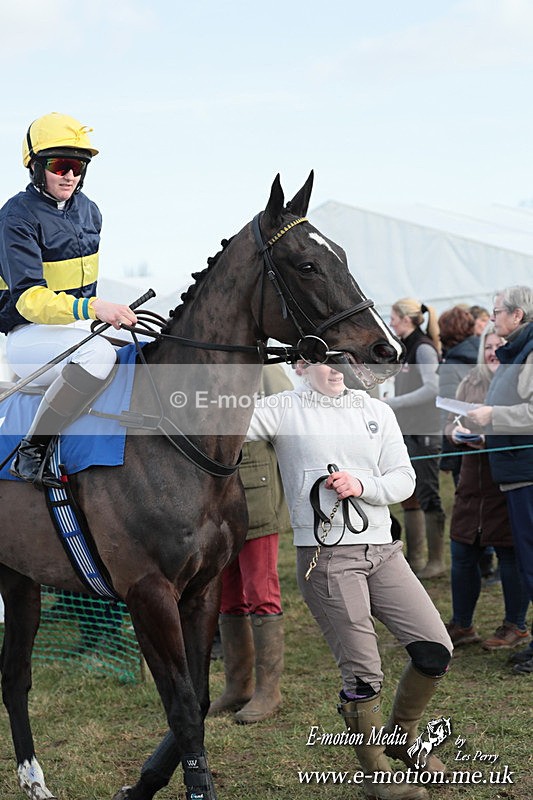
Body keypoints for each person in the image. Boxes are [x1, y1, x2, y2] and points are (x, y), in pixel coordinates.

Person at [248, 361, 453, 800]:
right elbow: (218, 424)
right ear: (301, 365)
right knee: (364, 673)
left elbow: (403, 477)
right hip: (326, 558)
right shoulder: (280, 408)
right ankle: (376, 776)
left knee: (435, 649)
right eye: (327, 359)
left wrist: (362, 484)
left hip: (383, 550)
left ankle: (402, 741)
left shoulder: (374, 408)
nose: (340, 367)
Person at [0, 112, 137, 489]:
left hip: (74, 329)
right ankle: (32, 452)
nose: (70, 174)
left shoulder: (90, 211)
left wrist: (101, 315)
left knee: (146, 347)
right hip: (29, 335)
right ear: (36, 167)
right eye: (60, 165)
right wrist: (95, 308)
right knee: (99, 355)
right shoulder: (15, 216)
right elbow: (28, 300)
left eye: (78, 165)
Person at [208, 364, 292, 724]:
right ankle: (238, 685)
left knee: (261, 590)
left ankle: (268, 691)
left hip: (256, 486)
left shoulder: (267, 367)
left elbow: (287, 421)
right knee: (228, 594)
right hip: (217, 491)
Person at [444, 323, 530, 650]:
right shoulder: (471, 381)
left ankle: (515, 625)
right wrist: (455, 433)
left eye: (500, 345)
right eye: (489, 346)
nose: (494, 351)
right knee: (462, 552)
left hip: (503, 483)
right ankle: (462, 625)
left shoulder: (516, 383)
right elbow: (450, 422)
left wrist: (490, 436)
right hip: (470, 483)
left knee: (509, 554)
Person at [468, 285, 533, 675]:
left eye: (497, 312)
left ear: (517, 315)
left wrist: (494, 416)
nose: (493, 318)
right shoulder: (515, 352)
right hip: (515, 472)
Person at [385, 298, 446, 579]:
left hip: (425, 431)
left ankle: (436, 560)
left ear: (407, 319)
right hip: (408, 429)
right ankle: (415, 557)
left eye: (394, 317)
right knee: (409, 495)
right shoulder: (406, 346)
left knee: (428, 494)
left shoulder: (423, 347)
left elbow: (432, 388)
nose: (391, 322)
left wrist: (395, 402)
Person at [437, 306, 480, 487]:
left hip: (463, 444)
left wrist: (448, 458)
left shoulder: (451, 365)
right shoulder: (486, 352)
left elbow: (450, 410)